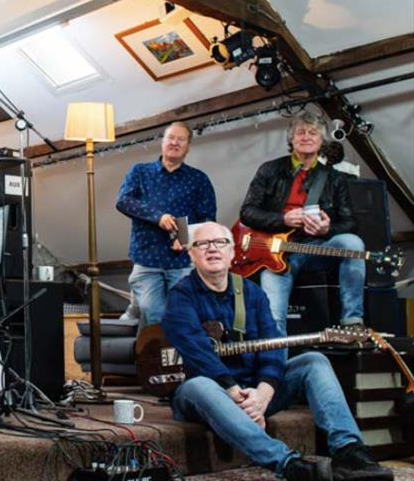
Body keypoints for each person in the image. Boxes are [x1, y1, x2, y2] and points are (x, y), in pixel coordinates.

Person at [162, 222, 392, 481]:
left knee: (313, 361)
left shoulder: (252, 293)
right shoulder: (180, 296)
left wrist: (262, 394)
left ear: (232, 253)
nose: (212, 249)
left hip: (255, 393)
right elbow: (197, 353)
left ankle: (350, 452)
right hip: (211, 395)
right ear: (191, 254)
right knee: (199, 385)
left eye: (220, 243)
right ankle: (289, 465)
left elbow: (273, 344)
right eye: (202, 244)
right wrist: (236, 395)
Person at [240, 112, 364, 336]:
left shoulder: (334, 178)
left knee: (352, 243)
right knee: (274, 322)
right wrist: (282, 219)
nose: (306, 136)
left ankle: (352, 320)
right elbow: (247, 213)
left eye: (313, 132)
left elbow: (350, 222)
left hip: (315, 249)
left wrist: (328, 229)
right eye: (300, 132)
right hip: (278, 255)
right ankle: (275, 370)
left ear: (321, 140)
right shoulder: (269, 170)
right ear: (291, 139)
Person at [116, 121, 216, 326]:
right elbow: (123, 201)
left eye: (181, 139)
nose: (175, 143)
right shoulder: (140, 172)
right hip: (146, 259)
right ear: (162, 142)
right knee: (154, 313)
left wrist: (188, 240)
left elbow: (208, 220)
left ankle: (171, 356)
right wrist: (157, 217)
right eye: (171, 137)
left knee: (181, 316)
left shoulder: (199, 179)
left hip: (182, 262)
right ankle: (152, 353)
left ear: (188, 147)